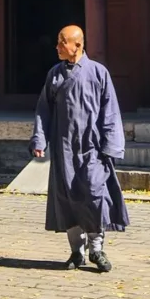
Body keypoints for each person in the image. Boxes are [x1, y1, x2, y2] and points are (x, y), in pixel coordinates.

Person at [31, 23, 129, 272]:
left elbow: (110, 111)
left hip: (92, 147)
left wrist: (111, 145)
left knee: (95, 195)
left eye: (62, 42)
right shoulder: (54, 74)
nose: (57, 46)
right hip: (64, 147)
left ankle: (97, 249)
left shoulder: (98, 73)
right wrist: (39, 140)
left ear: (77, 45)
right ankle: (77, 251)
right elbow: (44, 110)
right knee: (67, 198)